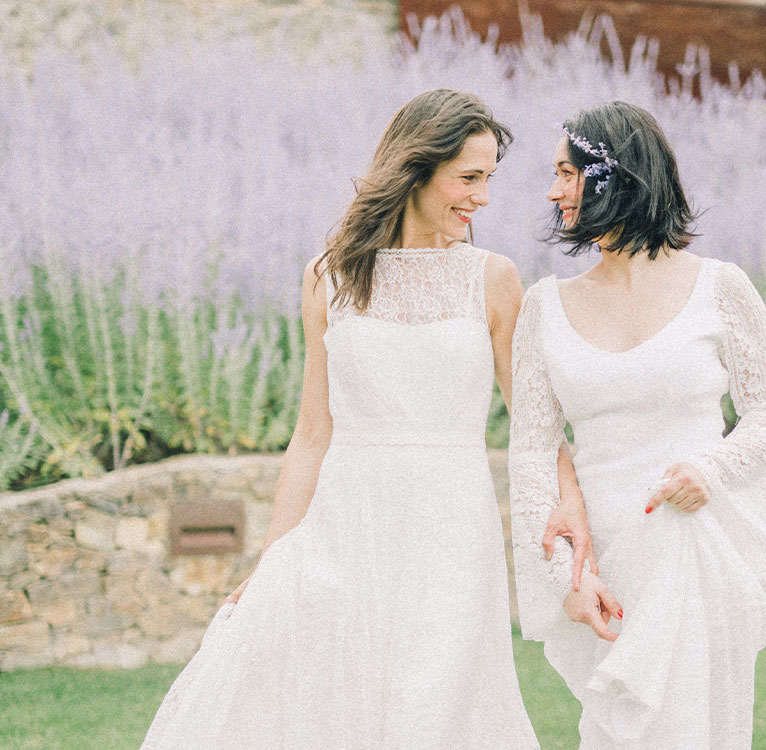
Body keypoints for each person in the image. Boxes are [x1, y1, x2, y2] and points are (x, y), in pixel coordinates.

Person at [141, 89, 543, 749]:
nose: (484, 197)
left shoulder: (493, 280)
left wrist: (563, 523)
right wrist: (273, 558)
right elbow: (311, 432)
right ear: (416, 170)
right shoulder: (329, 277)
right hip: (347, 522)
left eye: (489, 179)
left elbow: (534, 424)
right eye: (470, 178)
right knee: (330, 705)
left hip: (450, 528)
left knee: (436, 706)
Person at [508, 101, 766, 749]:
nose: (553, 189)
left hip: (696, 547)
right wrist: (567, 578)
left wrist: (709, 471)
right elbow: (531, 452)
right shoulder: (544, 307)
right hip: (605, 562)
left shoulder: (722, 288)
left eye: (567, 171)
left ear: (615, 176)